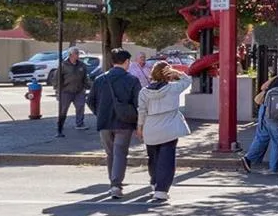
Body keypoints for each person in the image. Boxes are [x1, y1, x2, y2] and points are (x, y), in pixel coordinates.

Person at [87, 48, 141, 199]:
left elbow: (90, 101)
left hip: (104, 122)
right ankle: (116, 185)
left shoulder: (100, 79)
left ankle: (113, 183)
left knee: (110, 153)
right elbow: (138, 104)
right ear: (127, 62)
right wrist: (138, 123)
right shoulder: (132, 80)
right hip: (125, 123)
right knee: (120, 153)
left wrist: (99, 113)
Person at [136, 61, 192, 205]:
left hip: (150, 127)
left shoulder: (144, 92)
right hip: (169, 128)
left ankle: (154, 182)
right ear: (168, 74)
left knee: (153, 158)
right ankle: (161, 190)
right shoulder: (173, 88)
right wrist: (177, 73)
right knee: (166, 160)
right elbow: (188, 81)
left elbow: (141, 111)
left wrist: (140, 127)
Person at [241, 62, 278, 175]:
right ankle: (276, 168)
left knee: (262, 137)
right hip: (275, 116)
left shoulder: (276, 79)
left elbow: (263, 87)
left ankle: (249, 159)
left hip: (264, 110)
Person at [56, 47, 92, 136]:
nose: (78, 55)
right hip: (66, 91)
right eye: (76, 53)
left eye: (78, 53)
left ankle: (79, 124)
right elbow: (57, 79)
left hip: (79, 91)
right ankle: (60, 124)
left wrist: (89, 86)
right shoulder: (63, 65)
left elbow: (85, 78)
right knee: (63, 109)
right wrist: (58, 90)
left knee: (80, 107)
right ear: (71, 55)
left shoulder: (82, 65)